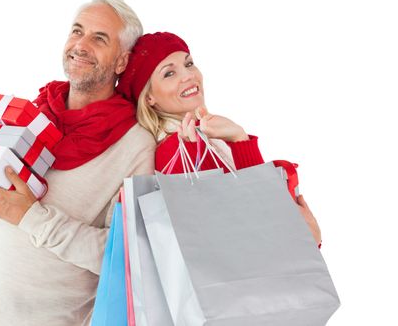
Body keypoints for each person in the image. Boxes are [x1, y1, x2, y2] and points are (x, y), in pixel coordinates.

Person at [0, 0, 155, 326]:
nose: (80, 45)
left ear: (122, 62)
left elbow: (120, 257)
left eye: (99, 38)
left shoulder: (135, 145)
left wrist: (31, 216)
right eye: (77, 31)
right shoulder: (35, 116)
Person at [117, 31, 321, 245]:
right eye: (169, 74)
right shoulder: (178, 151)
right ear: (148, 97)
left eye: (189, 64)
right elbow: (249, 235)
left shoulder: (208, 138)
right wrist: (239, 140)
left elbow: (262, 220)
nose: (188, 76)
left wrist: (237, 138)